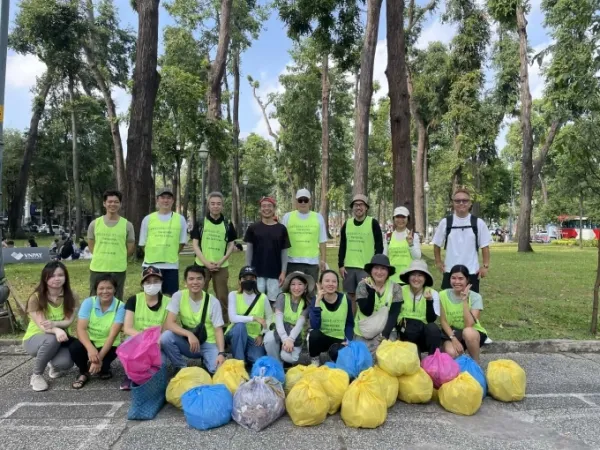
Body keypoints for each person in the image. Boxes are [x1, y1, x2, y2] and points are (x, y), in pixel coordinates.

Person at [23, 261, 79, 391]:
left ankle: (52, 363)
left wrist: (55, 324)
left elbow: (69, 321)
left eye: (60, 275)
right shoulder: (36, 298)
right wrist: (55, 330)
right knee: (51, 338)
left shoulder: (72, 296)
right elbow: (43, 326)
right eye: (52, 275)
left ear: (66, 277)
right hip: (35, 339)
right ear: (45, 277)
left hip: (60, 339)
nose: (56, 278)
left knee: (66, 363)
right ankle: (36, 375)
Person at [161, 265, 226, 375]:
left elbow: (218, 330)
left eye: (199, 278)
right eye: (191, 279)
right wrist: (189, 335)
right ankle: (181, 367)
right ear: (185, 282)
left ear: (204, 281)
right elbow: (169, 323)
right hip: (188, 342)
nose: (195, 282)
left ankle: (207, 361)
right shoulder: (178, 296)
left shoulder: (213, 301)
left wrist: (221, 353)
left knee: (218, 370)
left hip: (208, 343)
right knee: (166, 337)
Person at [68, 274, 125, 389]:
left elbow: (112, 336)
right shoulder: (89, 302)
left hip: (109, 345)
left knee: (103, 368)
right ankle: (83, 372)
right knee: (75, 347)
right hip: (90, 341)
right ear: (96, 290)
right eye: (101, 288)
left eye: (109, 288)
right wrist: (90, 349)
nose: (105, 291)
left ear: (115, 289)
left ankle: (100, 367)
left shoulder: (120, 306)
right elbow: (80, 329)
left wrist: (98, 359)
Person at [120, 266, 171, 390]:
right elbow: (127, 328)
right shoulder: (134, 300)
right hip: (138, 340)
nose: (152, 285)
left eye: (155, 281)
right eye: (148, 282)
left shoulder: (169, 302)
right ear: (142, 284)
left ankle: (145, 375)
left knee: (161, 364)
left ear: (161, 282)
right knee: (126, 346)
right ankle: (130, 375)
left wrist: (153, 342)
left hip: (157, 342)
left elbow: (167, 328)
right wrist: (146, 340)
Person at [432, 188, 491, 293]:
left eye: (465, 200)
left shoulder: (478, 223)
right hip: (450, 271)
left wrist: (485, 266)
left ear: (470, 203)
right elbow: (436, 244)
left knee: (470, 303)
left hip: (471, 272)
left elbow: (485, 246)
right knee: (448, 303)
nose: (461, 203)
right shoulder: (445, 222)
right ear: (453, 203)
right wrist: (438, 262)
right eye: (457, 201)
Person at [191, 191, 237, 321]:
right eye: (212, 204)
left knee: (222, 295)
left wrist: (221, 261)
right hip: (201, 266)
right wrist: (206, 263)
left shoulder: (227, 223)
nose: (215, 206)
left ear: (222, 206)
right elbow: (195, 244)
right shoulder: (201, 222)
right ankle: (197, 319)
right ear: (208, 205)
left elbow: (231, 244)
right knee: (198, 293)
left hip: (221, 266)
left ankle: (223, 322)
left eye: (218, 204)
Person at [139, 187, 188, 296]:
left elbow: (182, 242)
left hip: (171, 266)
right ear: (157, 200)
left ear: (173, 200)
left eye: (169, 198)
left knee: (171, 297)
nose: (166, 200)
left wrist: (171, 253)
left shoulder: (180, 219)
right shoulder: (148, 219)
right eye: (163, 197)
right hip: (151, 264)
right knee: (150, 296)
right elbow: (143, 243)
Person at [338, 194, 384, 310]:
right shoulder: (347, 224)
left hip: (365, 268)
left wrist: (375, 266)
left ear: (366, 207)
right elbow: (342, 245)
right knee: (351, 296)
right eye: (356, 205)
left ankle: (364, 323)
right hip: (349, 267)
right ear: (352, 208)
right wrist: (341, 264)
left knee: (365, 296)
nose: (358, 207)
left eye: (361, 205)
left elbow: (379, 246)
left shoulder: (373, 223)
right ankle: (351, 323)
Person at [88, 190, 135, 300]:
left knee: (116, 298)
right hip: (98, 267)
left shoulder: (127, 225)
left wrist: (120, 257)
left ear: (120, 204)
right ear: (104, 203)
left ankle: (116, 317)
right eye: (109, 202)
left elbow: (131, 247)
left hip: (118, 268)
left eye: (116, 202)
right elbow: (91, 245)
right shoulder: (94, 224)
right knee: (95, 298)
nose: (112, 204)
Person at [244, 196, 291, 305]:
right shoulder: (253, 228)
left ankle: (272, 321)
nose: (266, 208)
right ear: (260, 209)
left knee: (274, 301)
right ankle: (258, 321)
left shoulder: (281, 229)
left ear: (274, 209)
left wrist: (283, 272)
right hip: (257, 272)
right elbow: (249, 251)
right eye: (263, 206)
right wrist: (248, 270)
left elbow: (284, 253)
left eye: (269, 206)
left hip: (275, 273)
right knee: (257, 300)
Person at [354, 254, 403, 355]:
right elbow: (366, 311)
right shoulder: (362, 285)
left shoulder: (396, 288)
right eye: (376, 268)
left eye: (383, 269)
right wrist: (371, 293)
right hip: (363, 331)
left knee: (385, 357)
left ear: (388, 272)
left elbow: (394, 314)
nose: (379, 272)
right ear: (371, 270)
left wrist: (384, 336)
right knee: (362, 360)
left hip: (386, 330)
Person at [225, 266, 272, 366]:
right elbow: (232, 318)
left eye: (251, 279)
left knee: (257, 359)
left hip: (254, 337)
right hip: (236, 332)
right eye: (244, 279)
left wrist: (262, 334)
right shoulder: (233, 295)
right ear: (239, 281)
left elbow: (270, 318)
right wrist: (254, 318)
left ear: (256, 280)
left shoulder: (263, 297)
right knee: (240, 326)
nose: (248, 281)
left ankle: (244, 353)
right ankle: (239, 363)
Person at [439, 264, 488, 362]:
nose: (457, 282)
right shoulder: (442, 295)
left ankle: (476, 363)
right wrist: (454, 339)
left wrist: (464, 300)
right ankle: (460, 366)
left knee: (468, 332)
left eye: (461, 278)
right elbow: (443, 321)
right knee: (451, 352)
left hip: (472, 334)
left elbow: (469, 324)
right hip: (452, 333)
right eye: (453, 278)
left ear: (467, 280)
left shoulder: (475, 297)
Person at [281, 189, 328, 289]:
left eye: (305, 200)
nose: (303, 202)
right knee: (293, 291)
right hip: (292, 262)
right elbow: (282, 241)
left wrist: (323, 260)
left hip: (312, 263)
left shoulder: (318, 217)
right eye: (300, 200)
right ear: (296, 202)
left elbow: (322, 241)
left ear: (310, 202)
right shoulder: (287, 217)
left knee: (310, 292)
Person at [264, 271, 313, 366]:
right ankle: (277, 364)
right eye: (293, 284)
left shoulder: (307, 303)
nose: (296, 288)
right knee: (269, 339)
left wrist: (290, 340)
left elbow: (299, 325)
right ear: (289, 287)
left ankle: (287, 359)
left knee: (287, 356)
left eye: (300, 284)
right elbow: (278, 321)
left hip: (296, 337)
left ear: (305, 286)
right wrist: (285, 339)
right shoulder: (282, 297)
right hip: (280, 332)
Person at [308, 270, 354, 366]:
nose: (330, 284)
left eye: (334, 281)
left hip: (339, 339)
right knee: (313, 334)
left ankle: (333, 357)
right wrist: (317, 303)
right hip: (322, 338)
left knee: (339, 358)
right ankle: (315, 358)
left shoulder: (346, 299)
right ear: (320, 284)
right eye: (327, 281)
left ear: (337, 284)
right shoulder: (316, 300)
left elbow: (349, 323)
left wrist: (348, 340)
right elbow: (314, 325)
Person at [397, 260, 441, 355]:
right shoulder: (399, 290)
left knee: (433, 329)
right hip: (404, 332)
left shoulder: (433, 293)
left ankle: (432, 359)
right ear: (408, 277)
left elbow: (431, 320)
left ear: (425, 278)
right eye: (413, 275)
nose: (416, 279)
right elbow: (393, 313)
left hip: (422, 333)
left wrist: (429, 301)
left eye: (420, 275)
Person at [386, 206, 421, 283]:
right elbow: (385, 257)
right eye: (397, 217)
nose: (400, 220)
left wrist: (411, 244)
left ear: (408, 219)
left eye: (403, 217)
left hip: (408, 279)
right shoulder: (388, 236)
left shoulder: (414, 236)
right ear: (393, 219)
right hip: (392, 279)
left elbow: (417, 257)